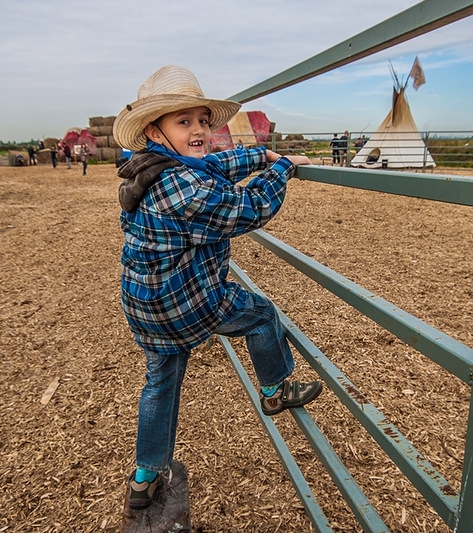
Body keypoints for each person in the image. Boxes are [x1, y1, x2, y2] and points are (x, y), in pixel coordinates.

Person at [112, 65, 323, 516]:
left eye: (203, 121)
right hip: (185, 299)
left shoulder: (150, 168)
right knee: (261, 314)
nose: (199, 131)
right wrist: (282, 168)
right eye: (183, 122)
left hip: (145, 301)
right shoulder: (182, 187)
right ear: (154, 130)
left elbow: (214, 164)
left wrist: (260, 157)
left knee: (161, 380)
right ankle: (274, 389)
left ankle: (145, 474)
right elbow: (248, 208)